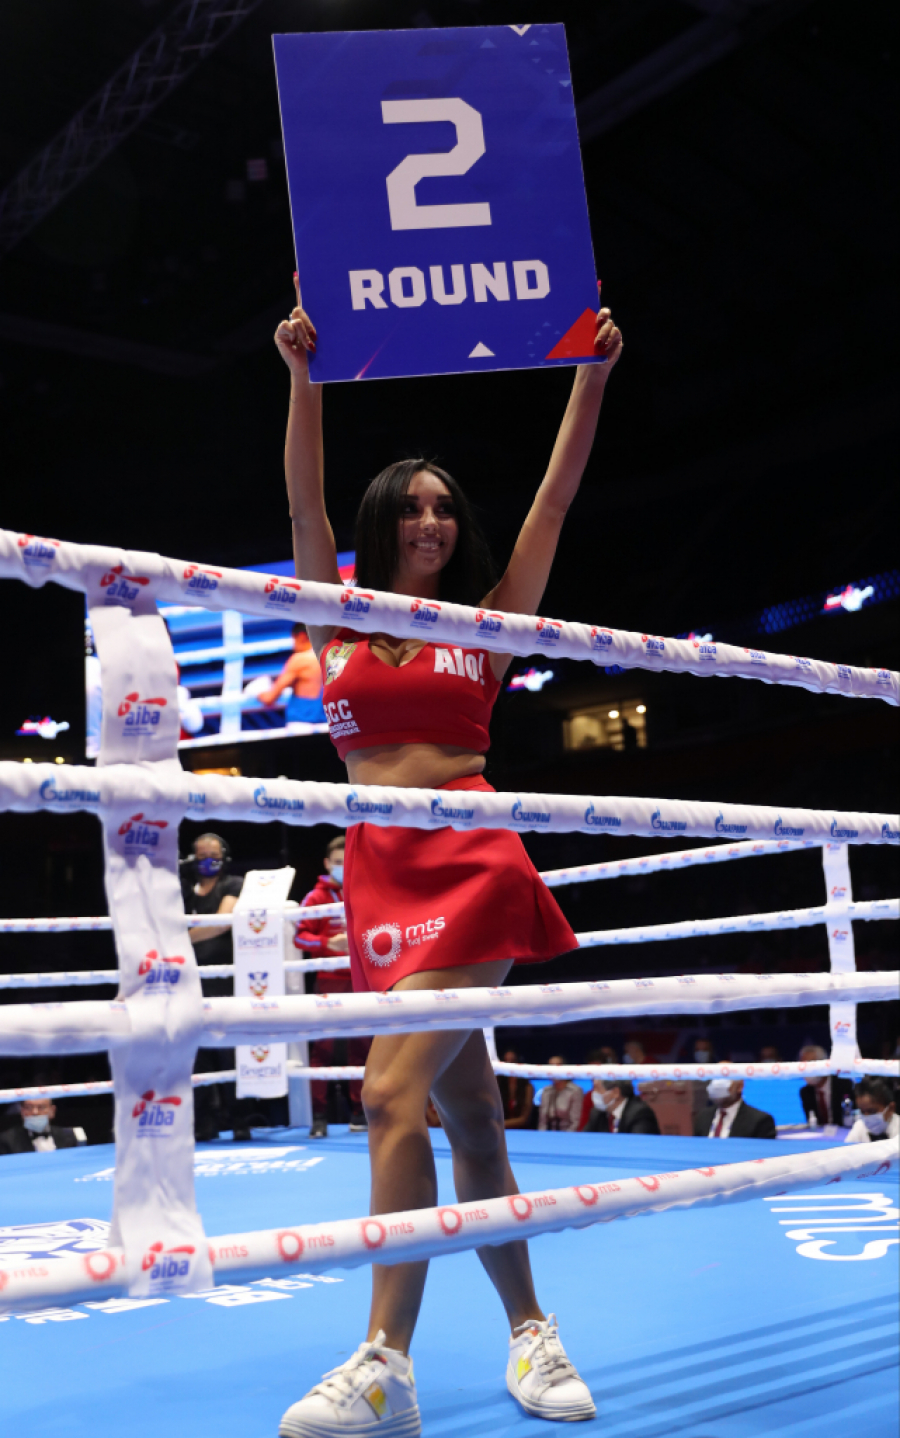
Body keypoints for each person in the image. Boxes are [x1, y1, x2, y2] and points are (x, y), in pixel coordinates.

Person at [272, 279, 621, 1434]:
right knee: (470, 1113)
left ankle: (385, 1363)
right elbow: (303, 500)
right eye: (413, 507)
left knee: (387, 1093)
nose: (432, 522)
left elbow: (556, 501)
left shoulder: (486, 622)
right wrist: (303, 378)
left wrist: (591, 375)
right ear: (384, 522)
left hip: (473, 866)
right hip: (379, 876)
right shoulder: (333, 618)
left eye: (445, 509)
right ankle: (532, 1332)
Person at [292, 835, 370, 1137]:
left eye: (345, 862)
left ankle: (360, 1112)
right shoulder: (315, 897)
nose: (341, 867)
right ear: (327, 864)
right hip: (328, 979)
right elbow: (300, 937)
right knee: (323, 1049)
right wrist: (328, 943)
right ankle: (320, 1117)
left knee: (361, 1046)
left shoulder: (362, 890)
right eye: (337, 862)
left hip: (359, 978)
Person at [180, 833, 244, 1140]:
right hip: (189, 980)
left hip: (224, 978)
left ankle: (240, 1118)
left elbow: (221, 922)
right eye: (202, 856)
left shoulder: (233, 884)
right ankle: (205, 1120)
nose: (208, 861)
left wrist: (178, 939)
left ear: (224, 857)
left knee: (229, 1051)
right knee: (197, 1053)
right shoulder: (184, 889)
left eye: (214, 856)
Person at [259, 622, 326, 724]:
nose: (293, 645)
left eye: (294, 640)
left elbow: (269, 698)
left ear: (301, 637)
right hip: (328, 723)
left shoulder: (299, 660)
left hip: (302, 723)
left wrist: (256, 693)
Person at [693, 1079, 777, 1139]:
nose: (717, 1085)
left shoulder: (760, 1121)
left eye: (724, 1078)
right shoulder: (702, 1117)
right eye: (716, 1078)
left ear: (740, 1086)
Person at [0, 1098, 86, 1155]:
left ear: (52, 1111)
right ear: (22, 1111)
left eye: (41, 1107)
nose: (35, 1112)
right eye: (29, 1108)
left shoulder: (68, 1136)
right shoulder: (7, 1140)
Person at [797, 1044, 855, 1127]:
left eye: (810, 1065)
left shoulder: (844, 1085)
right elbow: (812, 1122)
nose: (807, 1071)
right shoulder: (805, 1092)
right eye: (804, 1066)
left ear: (824, 1064)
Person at [586, 1079, 660, 1135]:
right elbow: (584, 1140)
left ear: (616, 1092)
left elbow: (637, 1146)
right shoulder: (597, 1113)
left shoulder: (641, 1113)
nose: (593, 1093)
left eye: (597, 1089)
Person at [845, 1077, 899, 1143]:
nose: (866, 1117)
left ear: (891, 1109)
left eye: (872, 1111)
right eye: (862, 1112)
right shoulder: (860, 1126)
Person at [536, 1057, 583, 1133]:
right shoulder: (546, 1091)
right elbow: (542, 1121)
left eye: (556, 1066)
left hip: (568, 1135)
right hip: (548, 1134)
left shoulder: (575, 1091)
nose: (553, 1071)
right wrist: (541, 1136)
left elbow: (575, 1123)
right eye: (550, 1067)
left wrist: (565, 1138)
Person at [496, 1050, 536, 1130]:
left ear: (518, 1063)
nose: (509, 1064)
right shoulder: (498, 1085)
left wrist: (498, 1125)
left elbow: (524, 1119)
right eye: (506, 1061)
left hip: (522, 1131)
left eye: (512, 1061)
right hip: (500, 1130)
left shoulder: (527, 1087)